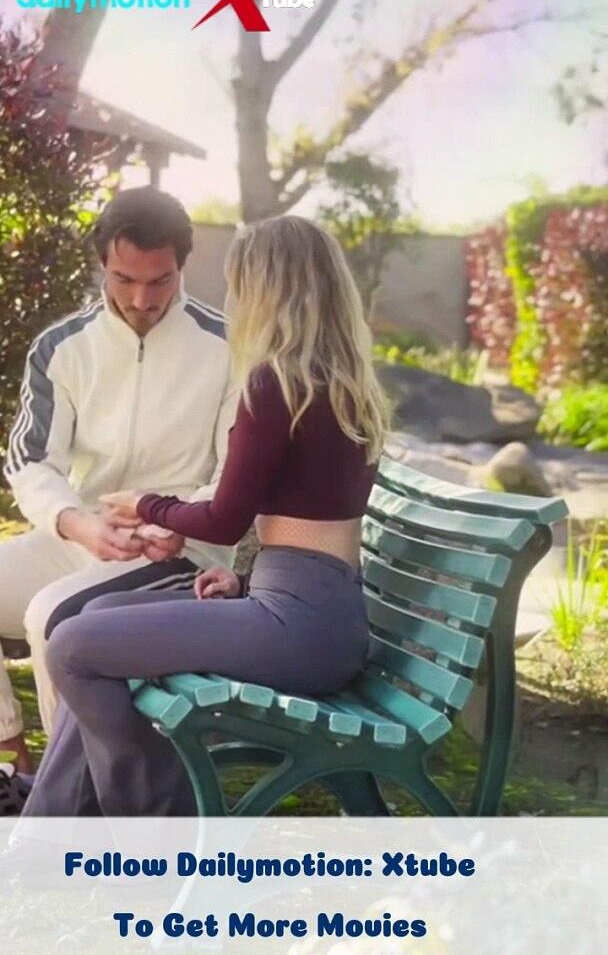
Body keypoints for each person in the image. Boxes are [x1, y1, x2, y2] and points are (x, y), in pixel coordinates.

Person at [20, 215, 390, 818]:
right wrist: (244, 581)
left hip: (296, 628)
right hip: (319, 616)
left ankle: (153, 830)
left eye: (240, 284)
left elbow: (223, 521)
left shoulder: (276, 384)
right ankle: (49, 830)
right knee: (98, 614)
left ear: (266, 289)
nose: (235, 300)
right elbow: (316, 525)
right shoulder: (345, 386)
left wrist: (145, 503)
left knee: (72, 649)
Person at [0, 187, 237, 792]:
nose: (140, 300)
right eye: (124, 278)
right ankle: (13, 761)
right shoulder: (62, 348)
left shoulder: (229, 347)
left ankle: (74, 802)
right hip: (87, 533)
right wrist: (77, 523)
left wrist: (177, 518)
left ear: (182, 265)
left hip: (182, 549)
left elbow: (235, 471)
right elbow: (30, 459)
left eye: (160, 281)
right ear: (101, 263)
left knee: (51, 618)